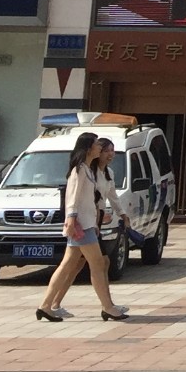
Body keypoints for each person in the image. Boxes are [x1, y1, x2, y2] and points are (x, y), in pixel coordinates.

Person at [36, 134, 129, 323]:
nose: (100, 148)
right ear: (88, 149)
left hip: (87, 224)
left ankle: (46, 305)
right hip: (81, 225)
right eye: (97, 145)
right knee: (97, 264)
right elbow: (73, 197)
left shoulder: (87, 170)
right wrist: (71, 219)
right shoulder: (79, 170)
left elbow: (93, 200)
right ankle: (108, 307)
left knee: (68, 265)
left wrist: (95, 223)